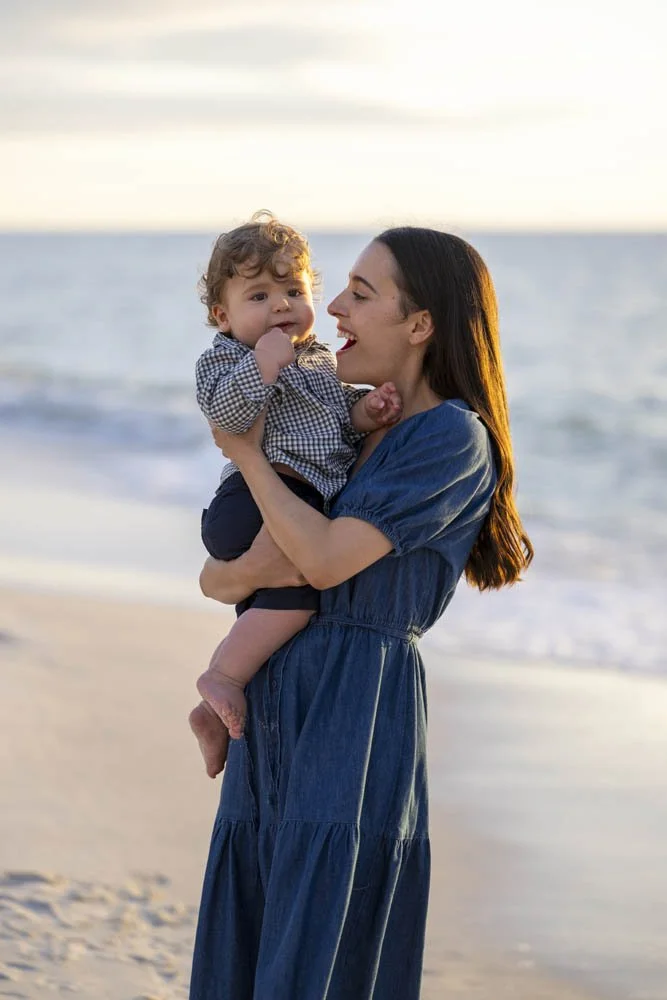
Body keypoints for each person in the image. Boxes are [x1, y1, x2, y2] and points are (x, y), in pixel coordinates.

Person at [189, 227, 533, 1000]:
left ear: (419, 326)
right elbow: (221, 578)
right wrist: (232, 573)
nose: (332, 308)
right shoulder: (351, 436)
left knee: (315, 941)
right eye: (339, 289)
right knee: (251, 928)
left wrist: (243, 453)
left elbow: (316, 560)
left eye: (360, 294)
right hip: (276, 696)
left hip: (354, 707)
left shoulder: (449, 437)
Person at [189, 213, 402, 777]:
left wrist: (365, 410)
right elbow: (228, 424)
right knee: (298, 597)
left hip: (294, 498)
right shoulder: (228, 359)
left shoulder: (319, 363)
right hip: (255, 497)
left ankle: (214, 713)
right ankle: (223, 677)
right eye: (259, 295)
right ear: (223, 316)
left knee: (275, 609)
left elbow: (337, 428)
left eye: (293, 290)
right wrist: (260, 368)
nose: (281, 306)